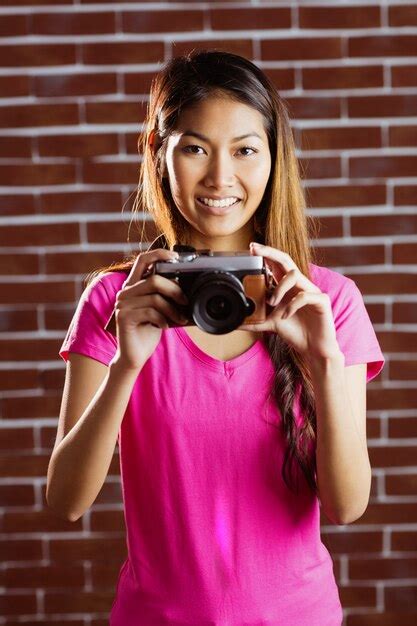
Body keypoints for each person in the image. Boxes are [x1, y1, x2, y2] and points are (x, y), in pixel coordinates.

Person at [47, 49, 385, 626]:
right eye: (195, 147)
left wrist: (324, 362)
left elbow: (347, 506)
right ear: (160, 155)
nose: (221, 177)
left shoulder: (327, 302)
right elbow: (67, 501)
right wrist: (128, 364)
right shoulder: (118, 298)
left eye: (246, 150)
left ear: (274, 160)